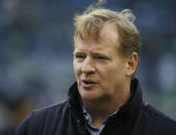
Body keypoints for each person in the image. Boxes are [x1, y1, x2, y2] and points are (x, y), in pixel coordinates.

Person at [15, 2, 176, 135]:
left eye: (100, 58)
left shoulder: (165, 131)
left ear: (130, 64)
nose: (86, 68)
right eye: (80, 57)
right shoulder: (35, 128)